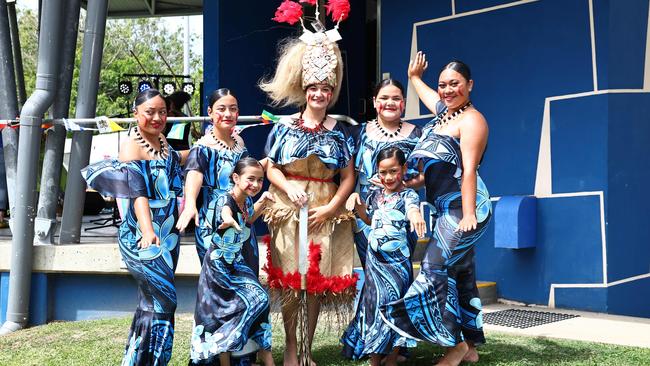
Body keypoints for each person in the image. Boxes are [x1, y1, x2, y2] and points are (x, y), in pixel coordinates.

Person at [380, 53, 492, 366]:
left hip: (465, 207)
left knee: (434, 267)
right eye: (443, 85)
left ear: (469, 85)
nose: (446, 90)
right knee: (461, 273)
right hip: (446, 209)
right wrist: (414, 77)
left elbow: (468, 170)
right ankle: (469, 345)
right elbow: (430, 95)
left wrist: (468, 215)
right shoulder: (445, 113)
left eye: (454, 84)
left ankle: (454, 348)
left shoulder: (472, 120)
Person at [259, 26, 357, 366]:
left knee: (313, 282)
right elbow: (271, 168)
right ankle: (289, 348)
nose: (319, 94)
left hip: (323, 211)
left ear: (331, 93)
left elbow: (348, 176)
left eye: (325, 89)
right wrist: (287, 186)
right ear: (305, 88)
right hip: (289, 209)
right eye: (314, 87)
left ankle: (306, 351)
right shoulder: (284, 126)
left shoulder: (341, 132)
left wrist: (331, 207)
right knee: (291, 282)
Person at [81, 89, 186, 365]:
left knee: (150, 303)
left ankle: (135, 361)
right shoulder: (131, 146)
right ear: (135, 114)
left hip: (168, 237)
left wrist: (204, 150)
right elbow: (138, 191)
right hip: (143, 236)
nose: (157, 117)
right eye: (149, 112)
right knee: (164, 300)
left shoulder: (162, 141)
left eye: (162, 112)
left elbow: (175, 160)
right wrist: (148, 230)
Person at [341, 147, 426, 365]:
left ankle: (393, 356)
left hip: (398, 264)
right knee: (373, 307)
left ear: (404, 169)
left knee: (397, 307)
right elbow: (370, 221)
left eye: (393, 171)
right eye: (383, 172)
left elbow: (412, 208)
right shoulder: (375, 196)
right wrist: (357, 204)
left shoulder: (408, 195)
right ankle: (375, 359)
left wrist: (416, 215)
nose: (388, 177)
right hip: (375, 264)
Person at [189, 157, 275, 366]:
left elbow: (248, 219)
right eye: (250, 179)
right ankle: (233, 359)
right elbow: (225, 211)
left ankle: (263, 354)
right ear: (236, 178)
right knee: (224, 312)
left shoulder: (245, 198)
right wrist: (227, 219)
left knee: (258, 301)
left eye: (260, 180)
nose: (255, 184)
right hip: (219, 268)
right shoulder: (223, 200)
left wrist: (263, 201)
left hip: (236, 263)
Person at [353, 79, 423, 267]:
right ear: (375, 102)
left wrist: (404, 186)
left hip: (403, 215)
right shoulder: (358, 133)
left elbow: (426, 175)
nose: (390, 102)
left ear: (404, 102)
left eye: (396, 98)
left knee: (400, 275)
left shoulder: (417, 134)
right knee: (372, 277)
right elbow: (347, 174)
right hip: (366, 218)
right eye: (384, 97)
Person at [176, 89, 250, 264]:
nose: (228, 114)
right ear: (210, 112)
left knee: (246, 275)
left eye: (233, 109)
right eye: (221, 109)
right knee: (218, 279)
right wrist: (190, 204)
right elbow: (194, 175)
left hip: (242, 216)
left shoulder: (239, 142)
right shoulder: (202, 147)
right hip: (214, 219)